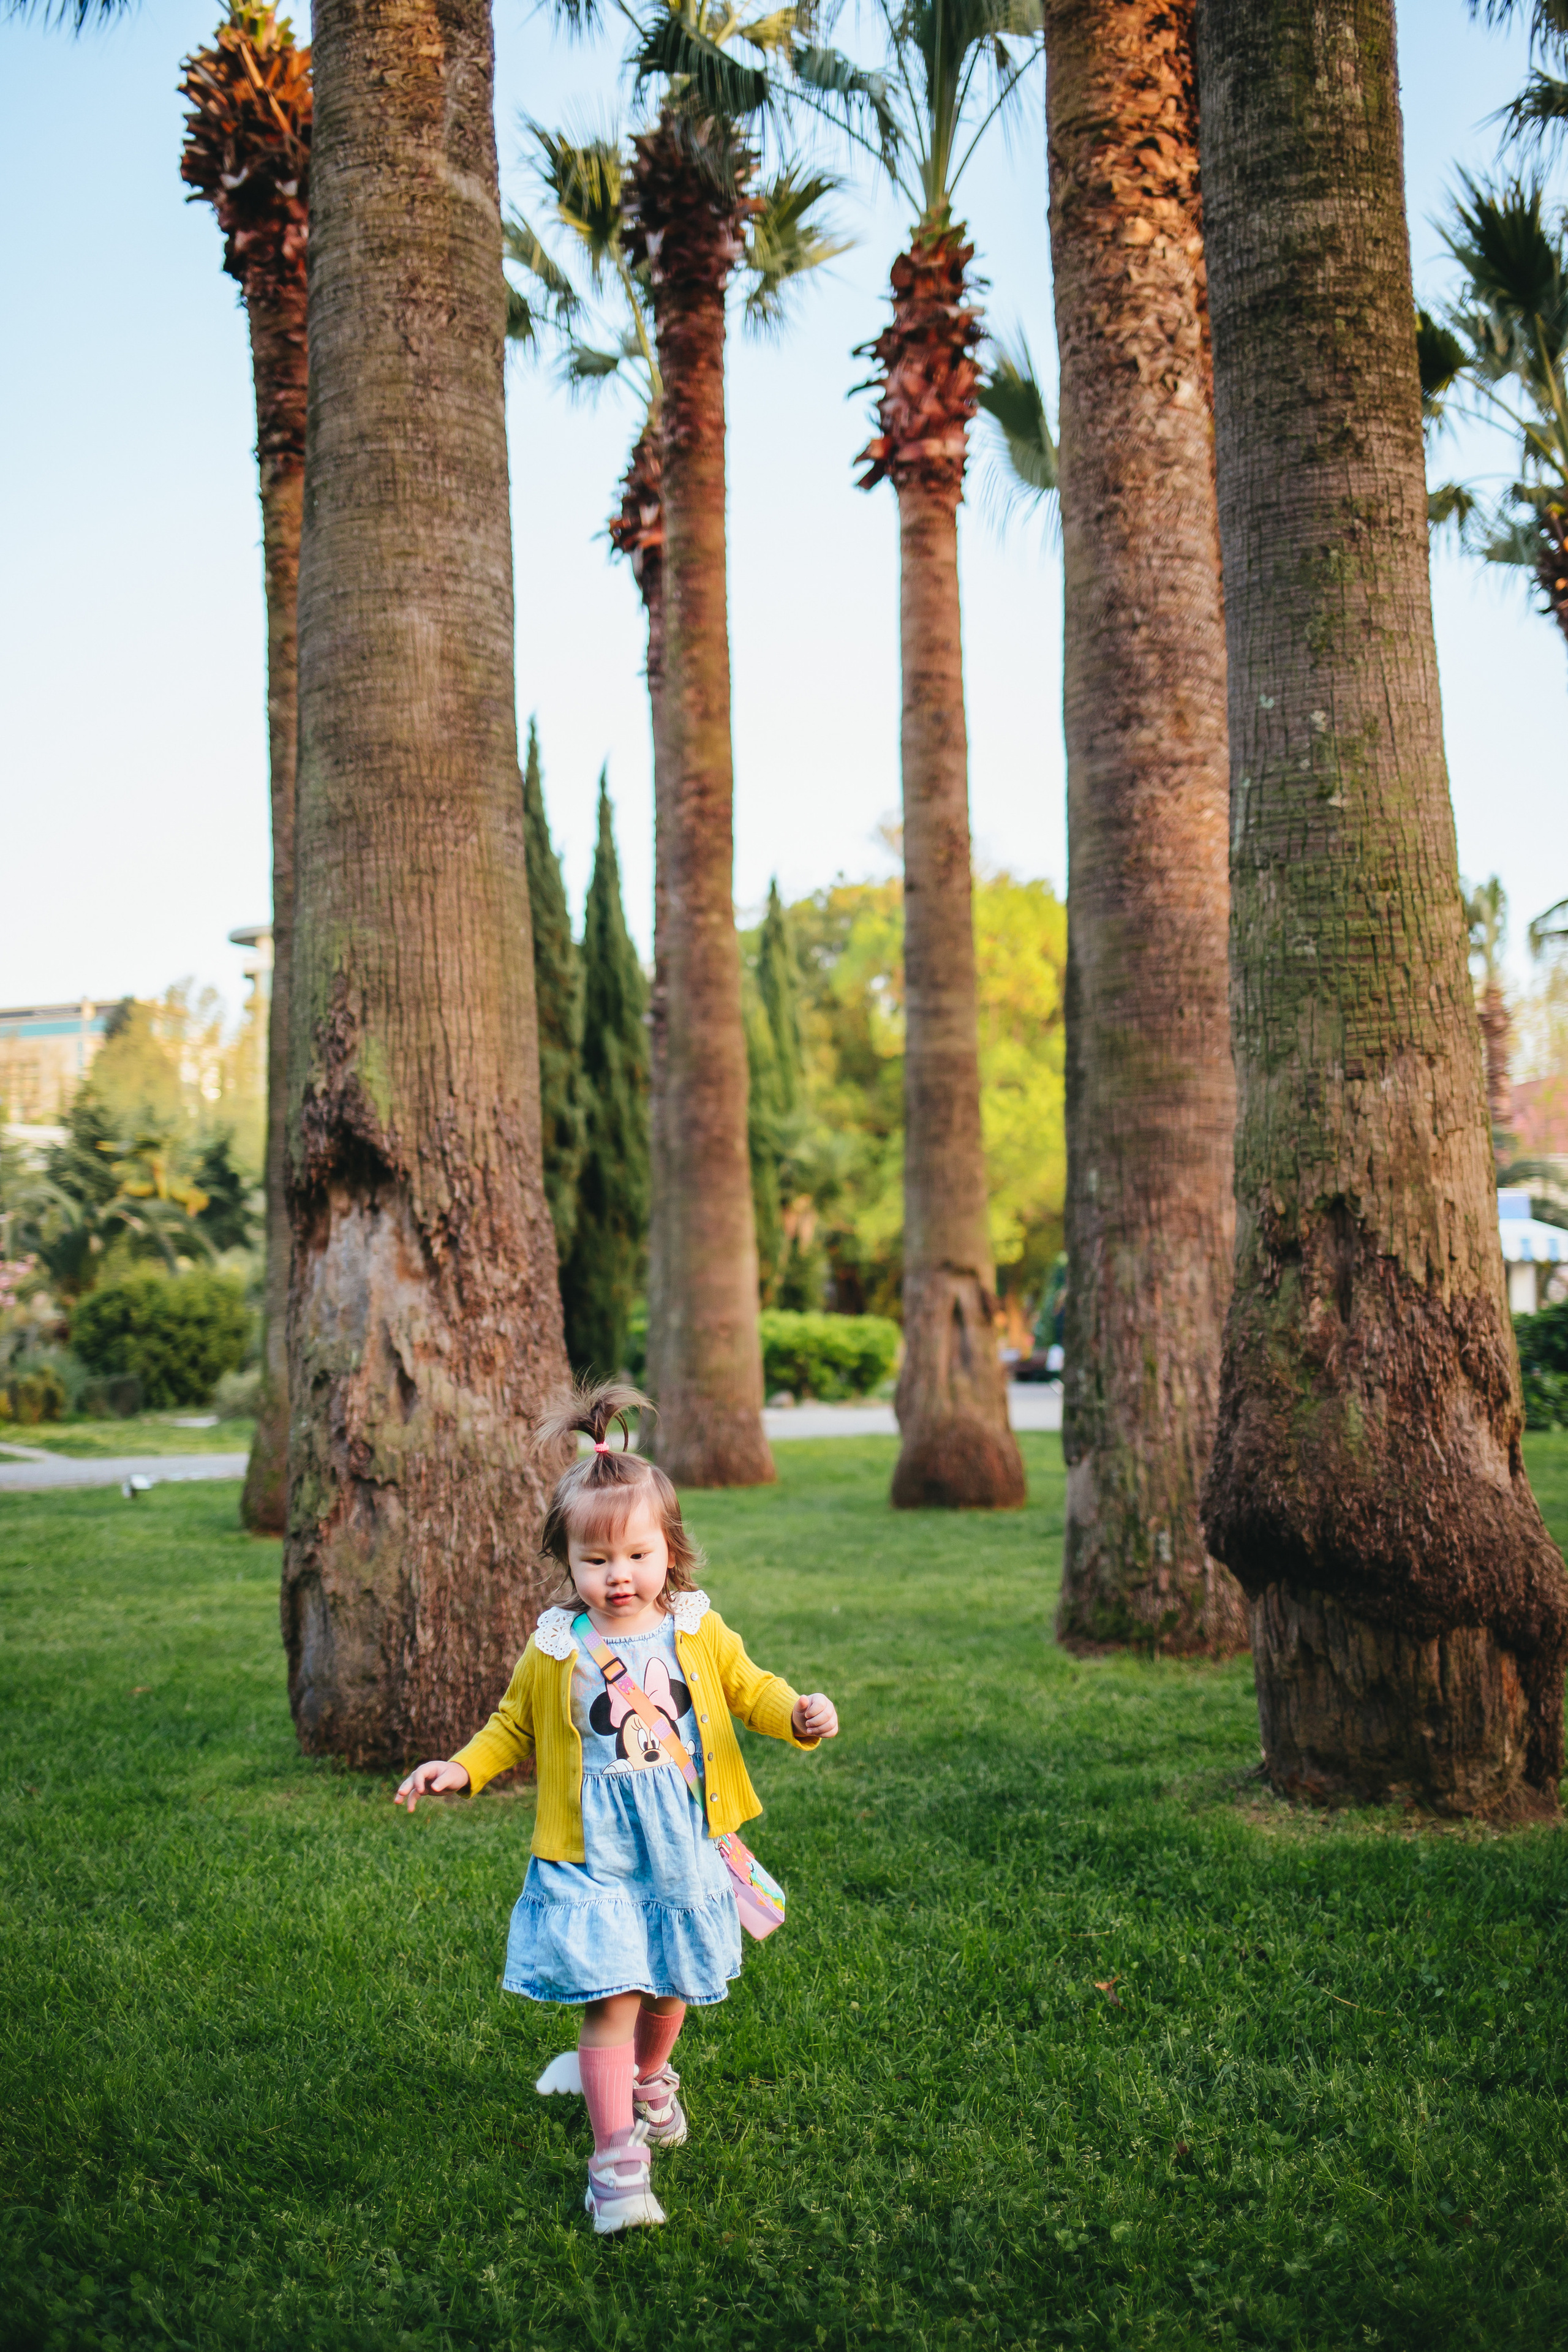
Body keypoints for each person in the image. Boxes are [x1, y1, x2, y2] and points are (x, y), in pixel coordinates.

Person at [394, 1381, 840, 2234]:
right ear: (567, 1562)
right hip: (595, 1847)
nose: (618, 1577)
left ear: (669, 1550)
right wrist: (463, 1768)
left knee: (671, 1982)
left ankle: (649, 2077)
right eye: (595, 1562)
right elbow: (510, 1725)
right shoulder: (558, 1647)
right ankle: (614, 2162)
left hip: (682, 1837)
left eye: (636, 1556)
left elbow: (752, 1691)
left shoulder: (697, 1630)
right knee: (614, 1991)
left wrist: (799, 1715)